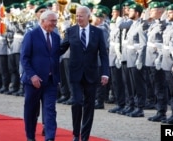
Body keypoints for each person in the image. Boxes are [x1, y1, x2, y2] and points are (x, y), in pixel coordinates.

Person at [60, 6, 109, 141]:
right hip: (75, 74)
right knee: (76, 102)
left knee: (89, 105)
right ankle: (76, 133)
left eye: (81, 15)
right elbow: (61, 49)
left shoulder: (97, 32)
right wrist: (46, 56)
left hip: (91, 74)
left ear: (88, 16)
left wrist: (105, 73)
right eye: (77, 15)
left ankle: (85, 136)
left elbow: (104, 55)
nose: (78, 18)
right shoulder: (70, 31)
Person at [20, 10, 60, 141]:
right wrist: (32, 76)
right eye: (52, 21)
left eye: (55, 21)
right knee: (31, 110)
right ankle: (30, 136)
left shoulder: (56, 37)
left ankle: (49, 138)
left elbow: (55, 56)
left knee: (50, 110)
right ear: (43, 21)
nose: (54, 24)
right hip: (34, 81)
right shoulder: (31, 35)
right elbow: (24, 58)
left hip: (50, 80)